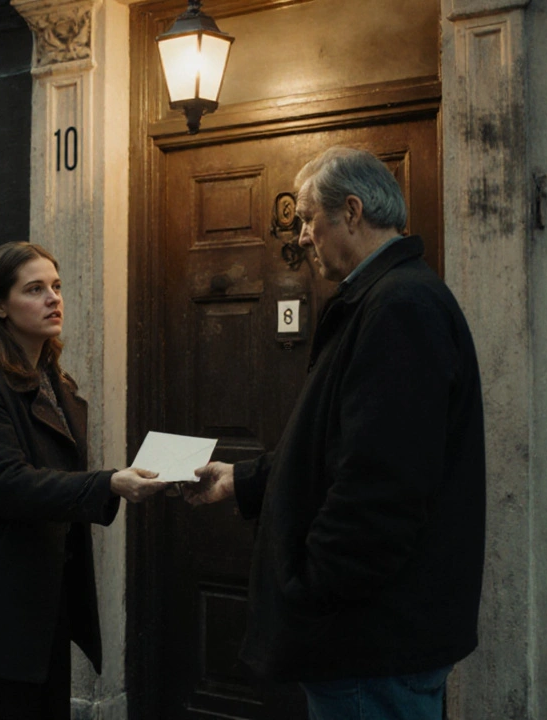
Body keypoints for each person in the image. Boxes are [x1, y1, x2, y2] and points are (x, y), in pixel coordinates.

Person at [185, 147, 486, 719]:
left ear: (351, 211)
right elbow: (331, 446)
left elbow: (382, 487)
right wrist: (241, 481)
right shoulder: (384, 298)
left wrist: (313, 590)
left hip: (368, 643)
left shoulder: (400, 306)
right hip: (371, 639)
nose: (300, 236)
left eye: (306, 219)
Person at [0, 242, 164, 720]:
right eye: (35, 289)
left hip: (40, 611)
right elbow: (6, 484)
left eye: (57, 286)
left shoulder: (55, 384)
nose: (54, 299)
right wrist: (109, 484)